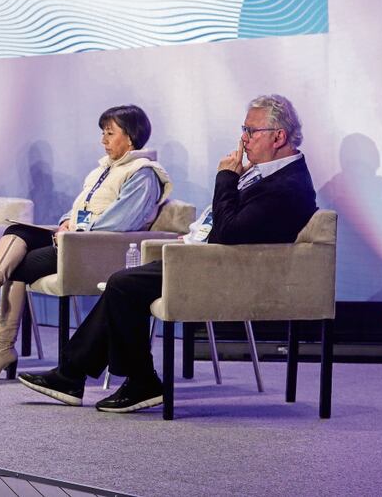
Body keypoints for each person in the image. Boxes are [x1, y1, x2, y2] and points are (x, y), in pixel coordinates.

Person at [18, 94, 318, 412]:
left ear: (278, 136)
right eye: (243, 129)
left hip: (232, 271)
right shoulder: (268, 172)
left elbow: (231, 232)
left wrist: (226, 178)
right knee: (123, 283)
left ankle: (126, 380)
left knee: (123, 284)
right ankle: (82, 376)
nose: (243, 139)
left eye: (250, 131)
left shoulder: (287, 184)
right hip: (210, 258)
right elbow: (227, 224)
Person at [0, 105, 173, 379]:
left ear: (131, 137)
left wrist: (76, 231)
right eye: (102, 133)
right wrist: (66, 222)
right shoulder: (103, 170)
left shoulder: (143, 174)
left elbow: (121, 221)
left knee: (15, 264)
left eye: (110, 133)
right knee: (18, 231)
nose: (103, 140)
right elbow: (81, 207)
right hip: (75, 240)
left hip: (94, 250)